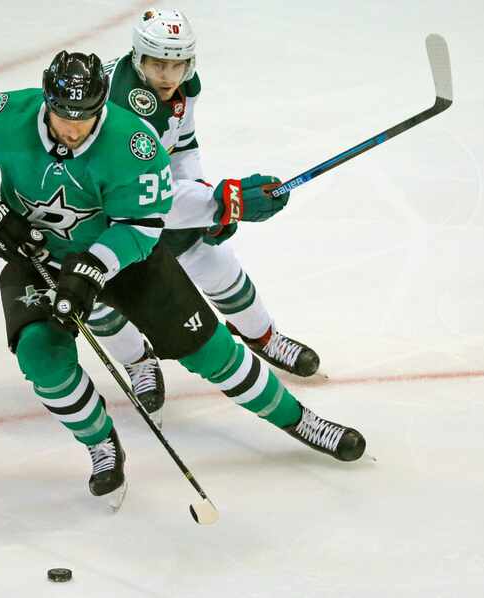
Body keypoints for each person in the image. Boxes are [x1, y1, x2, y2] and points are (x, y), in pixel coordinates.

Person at [0, 50, 365, 506]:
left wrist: (93, 267)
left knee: (211, 351)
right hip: (38, 260)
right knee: (41, 357)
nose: (72, 130)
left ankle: (299, 419)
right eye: (62, 116)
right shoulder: (3, 115)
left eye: (85, 119)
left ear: (102, 107)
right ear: (45, 100)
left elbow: (144, 225)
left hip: (124, 262)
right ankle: (101, 447)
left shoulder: (134, 144)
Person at [90, 8, 321, 425]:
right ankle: (138, 359)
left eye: (176, 64)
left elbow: (181, 149)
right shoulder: (124, 109)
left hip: (147, 197)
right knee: (102, 296)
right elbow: (144, 197)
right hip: (99, 212)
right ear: (138, 57)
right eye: (158, 63)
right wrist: (215, 201)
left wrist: (203, 197)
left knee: (212, 259)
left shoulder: (182, 88)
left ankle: (264, 335)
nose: (167, 74)